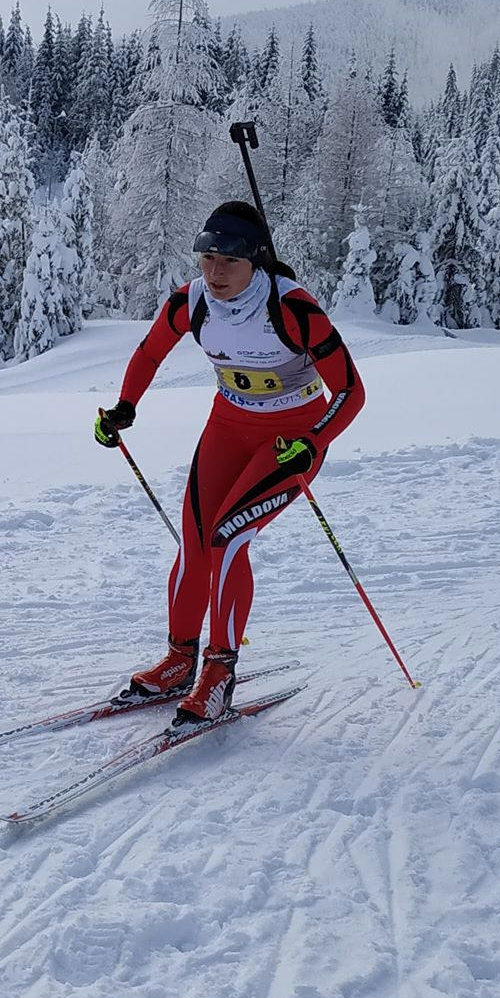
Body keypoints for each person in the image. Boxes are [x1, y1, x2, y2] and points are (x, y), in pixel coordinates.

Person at [93, 199, 364, 721]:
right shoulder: (191, 302)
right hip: (227, 427)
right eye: (207, 258)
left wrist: (314, 441)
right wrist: (125, 407)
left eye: (230, 260)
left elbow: (351, 390)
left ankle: (219, 672)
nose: (215, 272)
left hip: (289, 438)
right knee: (196, 543)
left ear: (256, 261)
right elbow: (150, 352)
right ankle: (179, 661)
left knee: (229, 537)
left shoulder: (292, 309)